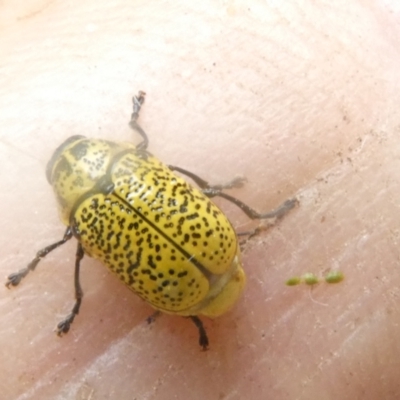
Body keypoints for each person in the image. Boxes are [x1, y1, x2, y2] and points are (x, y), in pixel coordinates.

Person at [1, 1, 400, 399]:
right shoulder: (131, 161)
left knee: (79, 250)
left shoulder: (82, 219)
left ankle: (150, 309)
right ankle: (256, 216)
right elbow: (162, 161)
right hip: (213, 254)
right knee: (193, 184)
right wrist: (137, 121)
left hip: (188, 287)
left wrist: (68, 299)